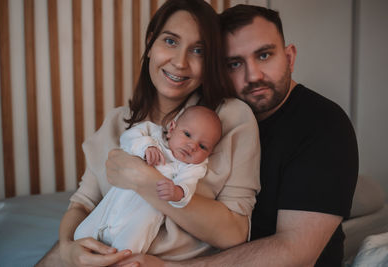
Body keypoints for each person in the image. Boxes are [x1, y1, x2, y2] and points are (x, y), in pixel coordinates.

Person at [111, 4, 359, 267]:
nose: (253, 76)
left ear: (289, 57)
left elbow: (296, 251)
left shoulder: (323, 123)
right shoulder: (208, 116)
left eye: (264, 55)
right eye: (234, 63)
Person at [36, 1, 260, 266]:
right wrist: (67, 248)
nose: (180, 62)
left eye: (198, 50)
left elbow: (235, 232)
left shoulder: (230, 119)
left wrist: (144, 180)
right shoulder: (117, 122)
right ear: (151, 43)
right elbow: (81, 204)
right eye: (170, 41)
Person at [74, 106, 222, 255]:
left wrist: (177, 192)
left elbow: (188, 185)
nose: (192, 146)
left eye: (203, 146)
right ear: (172, 129)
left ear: (210, 153)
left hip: (140, 219)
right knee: (81, 234)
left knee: (127, 250)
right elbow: (128, 138)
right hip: (113, 203)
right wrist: (146, 146)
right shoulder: (153, 134)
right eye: (188, 134)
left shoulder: (191, 167)